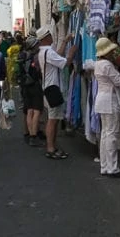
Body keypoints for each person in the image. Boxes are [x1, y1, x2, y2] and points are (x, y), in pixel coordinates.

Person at [89, 36, 120, 177]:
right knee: (112, 134)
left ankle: (105, 166)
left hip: (101, 100)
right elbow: (118, 81)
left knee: (105, 134)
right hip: (110, 101)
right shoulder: (107, 65)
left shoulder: (98, 64)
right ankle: (113, 168)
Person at [36, 24, 76, 160]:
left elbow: (57, 56)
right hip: (52, 87)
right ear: (46, 38)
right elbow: (64, 63)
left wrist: (65, 41)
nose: (52, 36)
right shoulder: (47, 52)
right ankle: (50, 148)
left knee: (54, 118)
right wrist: (71, 53)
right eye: (50, 35)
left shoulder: (45, 52)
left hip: (49, 87)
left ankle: (52, 146)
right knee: (52, 120)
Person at [17, 34, 44, 146]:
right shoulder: (36, 57)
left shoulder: (22, 55)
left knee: (29, 111)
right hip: (35, 85)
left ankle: (29, 135)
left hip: (25, 85)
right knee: (37, 110)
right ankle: (34, 135)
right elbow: (40, 71)